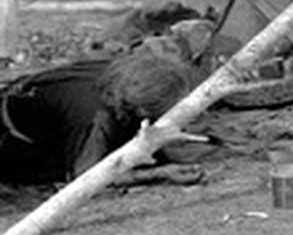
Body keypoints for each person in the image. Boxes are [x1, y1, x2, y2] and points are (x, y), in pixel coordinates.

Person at [0, 47, 201, 185]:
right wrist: (159, 174)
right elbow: (86, 179)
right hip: (12, 141)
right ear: (143, 108)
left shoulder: (119, 72)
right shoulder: (95, 117)